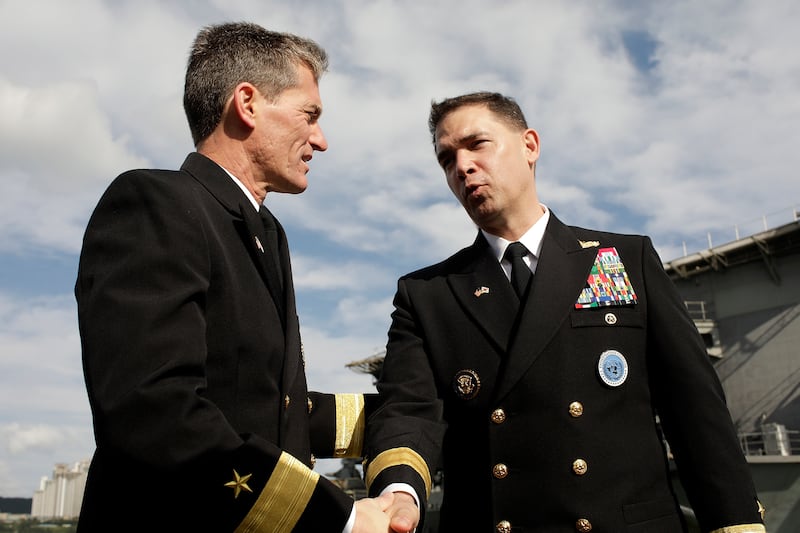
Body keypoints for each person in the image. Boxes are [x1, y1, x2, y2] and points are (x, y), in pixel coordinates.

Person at [363, 92, 767, 532]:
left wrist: (735, 523)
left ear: (530, 146)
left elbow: (694, 410)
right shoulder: (427, 294)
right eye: (446, 159)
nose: (462, 166)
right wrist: (399, 492)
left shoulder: (625, 259)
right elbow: (408, 409)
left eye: (477, 144)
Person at [75, 22, 416, 532]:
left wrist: (412, 413)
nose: (321, 140)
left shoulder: (264, 232)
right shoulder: (155, 204)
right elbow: (154, 412)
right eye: (310, 115)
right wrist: (339, 518)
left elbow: (270, 407)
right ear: (248, 103)